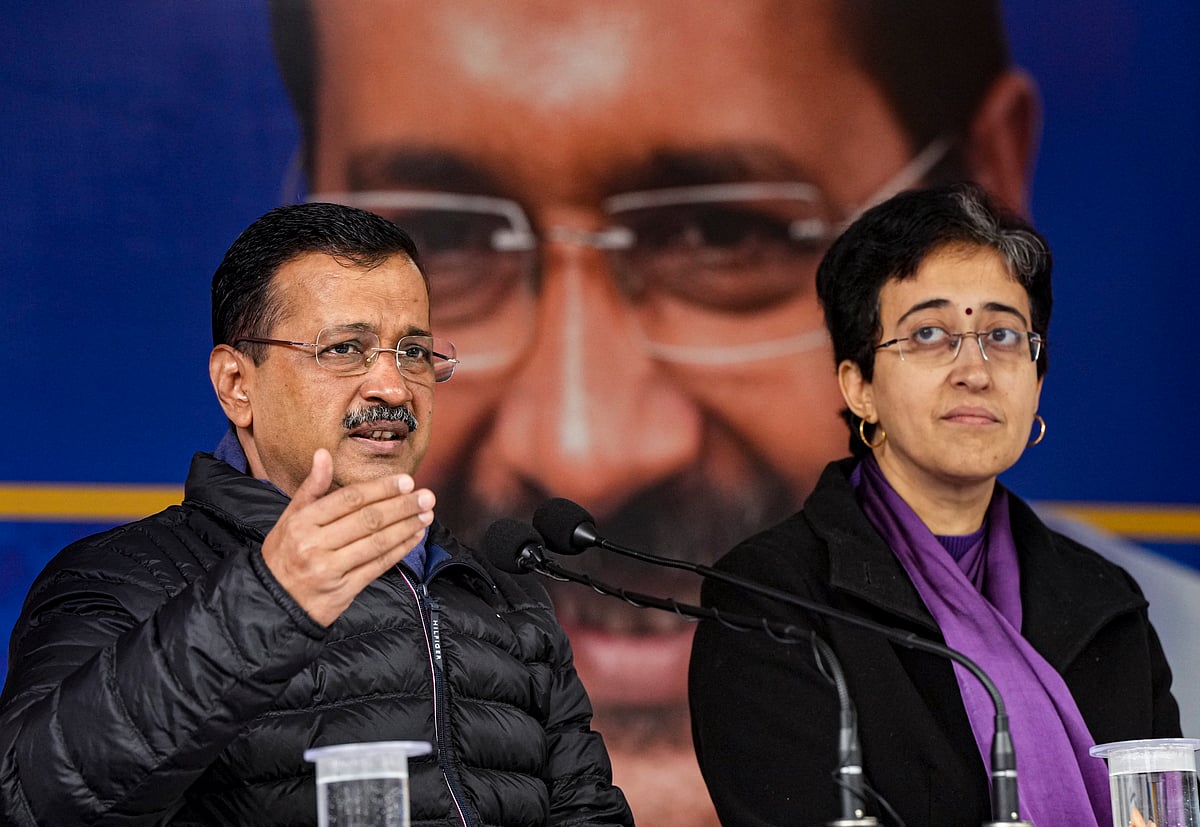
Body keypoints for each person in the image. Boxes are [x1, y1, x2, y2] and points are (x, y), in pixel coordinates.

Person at [266, 3, 1039, 821]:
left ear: (981, 205)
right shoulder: (203, 691)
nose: (582, 450)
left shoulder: (1142, 672)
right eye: (443, 240)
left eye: (720, 234)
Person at [0, 203, 632, 825]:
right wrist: (266, 601)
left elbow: (588, 812)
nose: (391, 387)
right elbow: (31, 801)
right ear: (236, 385)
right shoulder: (125, 578)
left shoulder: (501, 592)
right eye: (344, 349)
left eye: (412, 351)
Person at [688, 183, 1181, 826]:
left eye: (1003, 335)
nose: (974, 370)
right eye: (928, 332)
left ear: (1037, 380)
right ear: (859, 386)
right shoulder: (772, 599)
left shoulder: (1106, 602)